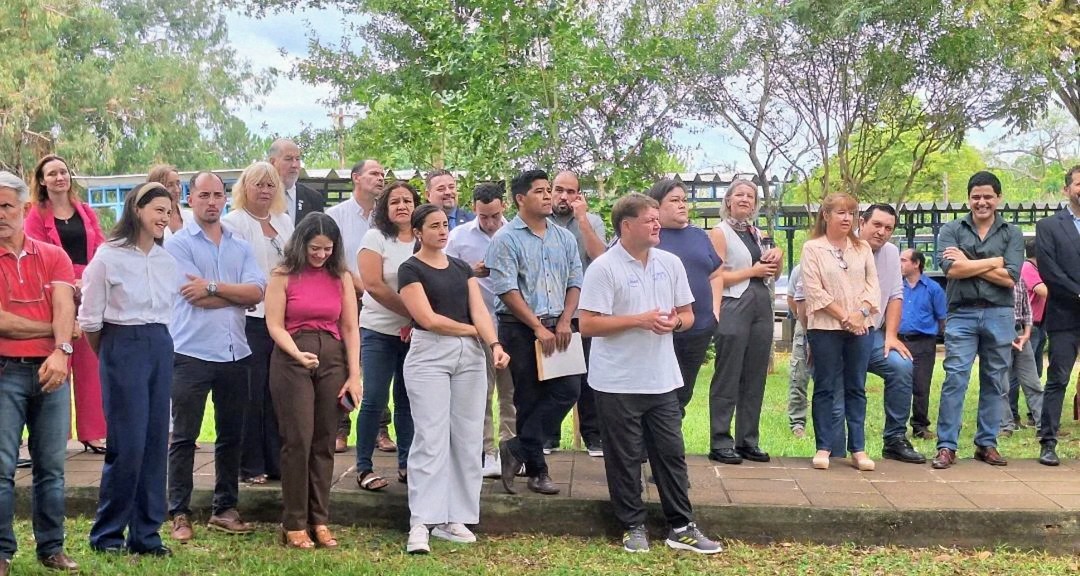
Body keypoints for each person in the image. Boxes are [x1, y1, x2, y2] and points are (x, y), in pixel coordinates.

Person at [579, 193, 721, 555]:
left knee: (671, 454)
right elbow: (588, 324)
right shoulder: (604, 268)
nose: (658, 225)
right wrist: (638, 320)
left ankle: (681, 526)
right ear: (627, 226)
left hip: (661, 378)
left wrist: (675, 323)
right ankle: (632, 526)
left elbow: (688, 314)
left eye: (658, 219)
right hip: (616, 381)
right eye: (650, 220)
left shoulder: (670, 263)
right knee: (624, 457)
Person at [399, 204, 510, 554]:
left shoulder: (461, 268)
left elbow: (480, 310)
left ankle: (455, 517)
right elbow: (427, 319)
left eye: (445, 224)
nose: (442, 231)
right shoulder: (410, 269)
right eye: (433, 226)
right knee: (430, 437)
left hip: (471, 355)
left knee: (467, 437)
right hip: (430, 352)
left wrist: (493, 344)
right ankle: (421, 521)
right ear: (418, 232)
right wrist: (473, 331)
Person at [166, 171, 267, 542]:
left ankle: (224, 509)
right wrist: (235, 295)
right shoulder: (178, 244)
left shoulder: (239, 244)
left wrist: (212, 287)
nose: (212, 202)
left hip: (234, 352)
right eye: (204, 195)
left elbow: (257, 291)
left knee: (231, 436)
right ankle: (179, 512)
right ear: (190, 198)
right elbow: (190, 296)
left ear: (226, 198)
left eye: (217, 195)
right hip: (190, 352)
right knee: (184, 437)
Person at [79, 182, 176, 557]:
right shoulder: (109, 256)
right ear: (137, 209)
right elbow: (90, 320)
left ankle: (147, 535)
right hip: (121, 344)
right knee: (128, 445)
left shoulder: (167, 260)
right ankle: (107, 534)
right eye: (158, 210)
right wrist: (113, 354)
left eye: (168, 211)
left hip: (159, 344)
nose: (164, 217)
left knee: (155, 442)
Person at [264, 213, 361, 549]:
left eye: (327, 249)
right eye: (315, 248)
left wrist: (355, 375)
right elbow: (274, 325)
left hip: (332, 357)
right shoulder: (283, 275)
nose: (321, 255)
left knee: (324, 440)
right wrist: (296, 353)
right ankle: (293, 522)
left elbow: (350, 327)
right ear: (301, 244)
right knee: (298, 440)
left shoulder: (341, 276)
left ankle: (319, 519)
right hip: (293, 355)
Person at [0, 171, 79, 573]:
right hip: (4, 371)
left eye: (6, 206)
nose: (0, 214)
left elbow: (66, 305)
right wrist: (57, 331)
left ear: (25, 207)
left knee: (52, 468)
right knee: (1, 469)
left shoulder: (53, 255)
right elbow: (2, 323)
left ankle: (52, 548)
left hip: (52, 369)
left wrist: (62, 352)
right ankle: (1, 552)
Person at [487, 169, 582, 495]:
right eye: (539, 191)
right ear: (520, 199)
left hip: (561, 325)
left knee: (569, 390)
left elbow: (575, 281)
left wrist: (565, 320)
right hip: (520, 327)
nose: (547, 196)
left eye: (547, 190)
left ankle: (516, 447)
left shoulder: (564, 238)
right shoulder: (505, 238)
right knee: (528, 398)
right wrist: (537, 327)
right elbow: (506, 289)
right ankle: (538, 472)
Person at [932, 171, 1023, 470]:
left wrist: (968, 262)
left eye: (988, 196)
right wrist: (994, 262)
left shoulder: (1012, 233)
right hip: (962, 312)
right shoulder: (951, 229)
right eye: (976, 197)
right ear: (968, 198)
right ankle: (947, 446)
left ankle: (987, 443)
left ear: (998, 198)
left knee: (995, 380)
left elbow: (1010, 278)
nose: (982, 202)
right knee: (955, 378)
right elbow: (952, 270)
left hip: (999, 312)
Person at [26, 154, 108, 454]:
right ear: (42, 181)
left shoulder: (85, 211)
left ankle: (93, 433)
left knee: (90, 366)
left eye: (63, 172)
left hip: (88, 292)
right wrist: (67, 282)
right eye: (52, 174)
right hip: (53, 294)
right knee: (57, 361)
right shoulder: (35, 215)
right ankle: (55, 436)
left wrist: (88, 281)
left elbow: (100, 248)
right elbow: (36, 254)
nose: (59, 177)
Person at [222, 162, 295, 486]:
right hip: (249, 318)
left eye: (270, 185)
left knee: (276, 391)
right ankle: (250, 464)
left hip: (281, 317)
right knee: (251, 393)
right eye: (258, 184)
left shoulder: (284, 221)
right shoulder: (233, 223)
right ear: (245, 188)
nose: (265, 191)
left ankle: (276, 460)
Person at [801, 192, 879, 472]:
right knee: (825, 386)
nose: (847, 218)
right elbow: (814, 291)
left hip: (862, 327)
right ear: (826, 216)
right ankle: (824, 447)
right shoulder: (813, 248)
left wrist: (861, 314)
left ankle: (858, 448)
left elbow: (873, 286)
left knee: (856, 386)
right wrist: (846, 317)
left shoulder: (863, 248)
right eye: (841, 212)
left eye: (852, 213)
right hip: (825, 328)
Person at [707, 178, 781, 465]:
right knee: (728, 374)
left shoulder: (757, 233)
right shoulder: (719, 233)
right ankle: (720, 440)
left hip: (761, 303)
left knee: (755, 375)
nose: (745, 199)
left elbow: (771, 273)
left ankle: (748, 440)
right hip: (733, 303)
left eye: (750, 196)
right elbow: (716, 276)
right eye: (739, 194)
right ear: (728, 200)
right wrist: (753, 271)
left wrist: (776, 258)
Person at [445, 182, 515, 479]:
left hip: (513, 325)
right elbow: (443, 274)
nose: (489, 222)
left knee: (511, 394)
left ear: (504, 207)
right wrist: (470, 271)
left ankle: (512, 452)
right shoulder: (458, 237)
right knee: (481, 393)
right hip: (477, 326)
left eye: (495, 216)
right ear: (474, 209)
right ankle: (487, 452)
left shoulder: (516, 233)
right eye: (483, 216)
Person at [326, 159, 395, 455]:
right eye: (374, 173)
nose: (380, 178)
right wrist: (357, 283)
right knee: (344, 363)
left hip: (380, 299)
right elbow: (331, 256)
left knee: (376, 366)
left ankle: (381, 429)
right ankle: (340, 428)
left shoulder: (386, 218)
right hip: (345, 296)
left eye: (383, 174)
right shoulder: (336, 216)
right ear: (356, 177)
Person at [354, 181, 418, 491]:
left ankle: (407, 464)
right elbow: (374, 285)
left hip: (415, 334)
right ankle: (363, 467)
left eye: (407, 200)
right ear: (385, 208)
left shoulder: (423, 239)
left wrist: (417, 321)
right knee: (375, 398)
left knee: (408, 400)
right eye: (395, 202)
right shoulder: (375, 238)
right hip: (379, 331)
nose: (402, 206)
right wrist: (413, 313)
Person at [647, 178, 723, 415]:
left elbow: (716, 273)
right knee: (659, 395)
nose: (682, 205)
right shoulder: (648, 237)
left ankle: (672, 434)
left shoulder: (699, 235)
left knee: (683, 393)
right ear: (656, 206)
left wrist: (715, 312)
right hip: (659, 331)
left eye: (684, 200)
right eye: (674, 200)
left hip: (698, 330)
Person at [856, 205, 924, 464]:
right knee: (844, 385)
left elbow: (896, 294)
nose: (882, 232)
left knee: (901, 365)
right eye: (877, 225)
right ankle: (838, 445)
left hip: (872, 333)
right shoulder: (842, 246)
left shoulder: (892, 253)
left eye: (888, 228)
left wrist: (891, 335)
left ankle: (895, 439)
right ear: (862, 222)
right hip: (838, 334)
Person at [546, 170, 606, 455]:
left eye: (571, 192)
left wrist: (582, 220)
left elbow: (601, 258)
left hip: (584, 312)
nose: (564, 197)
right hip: (548, 310)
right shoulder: (539, 221)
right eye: (559, 190)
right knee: (551, 376)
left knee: (587, 377)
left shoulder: (592, 221)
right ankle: (548, 435)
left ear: (579, 195)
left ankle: (593, 436)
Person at [1034, 165, 1080, 466]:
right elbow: (1049, 270)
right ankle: (1048, 442)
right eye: (1079, 183)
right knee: (1058, 378)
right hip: (1065, 315)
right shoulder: (1048, 226)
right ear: (1067, 189)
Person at [898, 249, 946, 439]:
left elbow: (942, 317)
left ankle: (920, 425)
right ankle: (896, 427)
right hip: (900, 340)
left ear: (916, 263)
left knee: (921, 385)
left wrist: (943, 339)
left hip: (924, 341)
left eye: (904, 260)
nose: (900, 264)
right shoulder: (897, 286)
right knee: (898, 383)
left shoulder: (933, 288)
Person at [998, 277, 1043, 438]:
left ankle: (1043, 425)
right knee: (1001, 385)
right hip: (999, 335)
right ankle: (1005, 426)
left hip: (1020, 334)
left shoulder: (1019, 280)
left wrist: (1027, 334)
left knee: (1033, 382)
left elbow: (1027, 310)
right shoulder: (993, 280)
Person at [1011, 239, 1047, 427]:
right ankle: (1012, 417)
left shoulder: (1034, 269)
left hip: (1035, 326)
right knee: (1018, 375)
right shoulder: (1027, 268)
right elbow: (1043, 290)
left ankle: (1036, 417)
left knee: (1035, 373)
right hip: (1024, 328)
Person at [268, 138, 324, 224]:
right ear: (272, 162)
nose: (294, 165)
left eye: (297, 159)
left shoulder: (313, 198)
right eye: (288, 159)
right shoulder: (261, 196)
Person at [786, 264, 810, 437]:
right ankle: (797, 423)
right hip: (804, 325)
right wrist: (801, 318)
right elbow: (791, 298)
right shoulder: (800, 269)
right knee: (799, 375)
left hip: (830, 325)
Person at [147, 164, 190, 235]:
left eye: (178, 183)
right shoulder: (148, 223)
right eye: (170, 185)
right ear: (156, 190)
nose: (177, 190)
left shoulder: (191, 218)